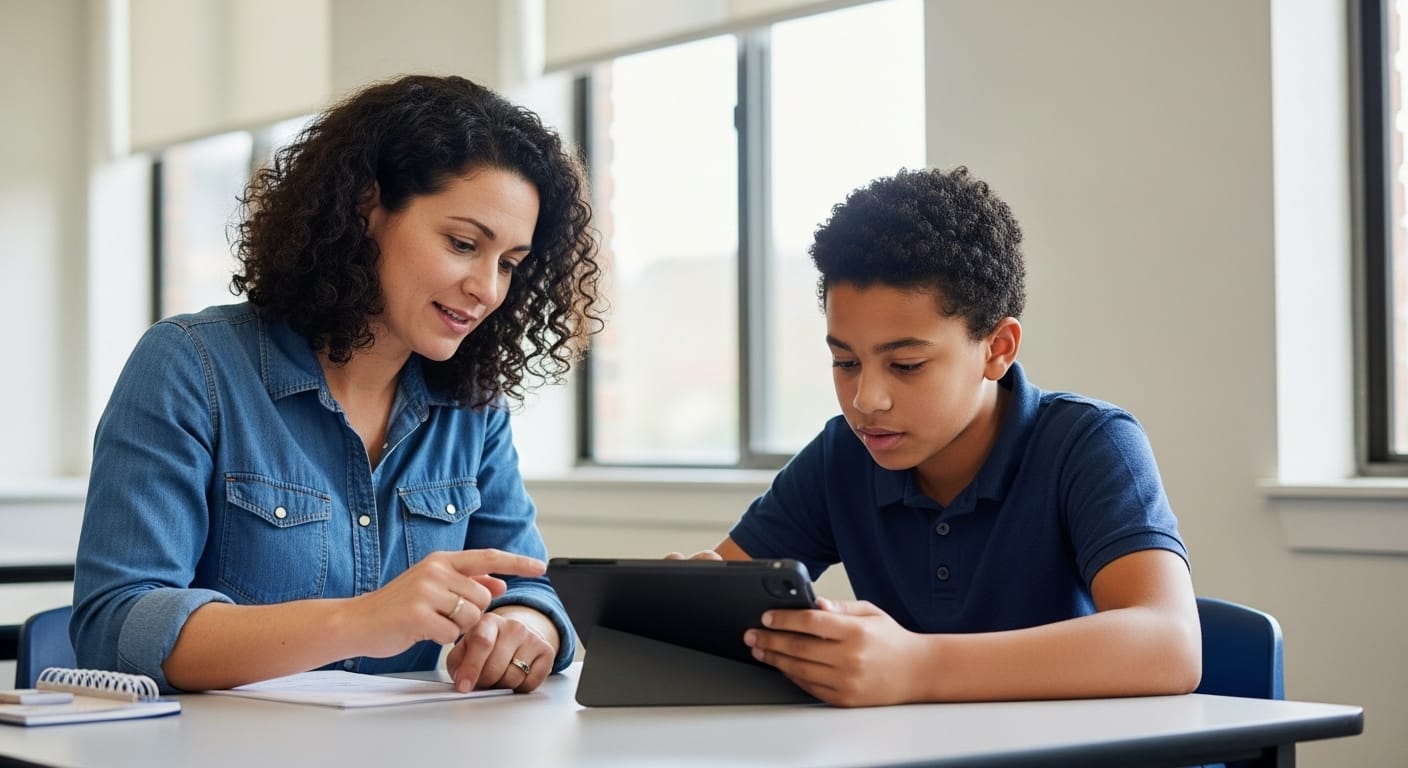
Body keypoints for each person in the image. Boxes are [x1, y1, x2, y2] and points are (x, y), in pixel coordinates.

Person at [71, 74, 603, 694]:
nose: (487, 289)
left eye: (509, 264)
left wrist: (521, 624)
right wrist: (357, 622)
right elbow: (116, 625)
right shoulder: (192, 366)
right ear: (366, 208)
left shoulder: (470, 404)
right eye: (463, 244)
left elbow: (528, 584)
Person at [675, 167, 1200, 707]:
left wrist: (919, 666)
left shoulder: (1089, 444)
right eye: (845, 361)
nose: (866, 399)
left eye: (906, 364)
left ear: (997, 348)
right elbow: (724, 595)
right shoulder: (843, 455)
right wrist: (687, 609)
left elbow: (1170, 644)